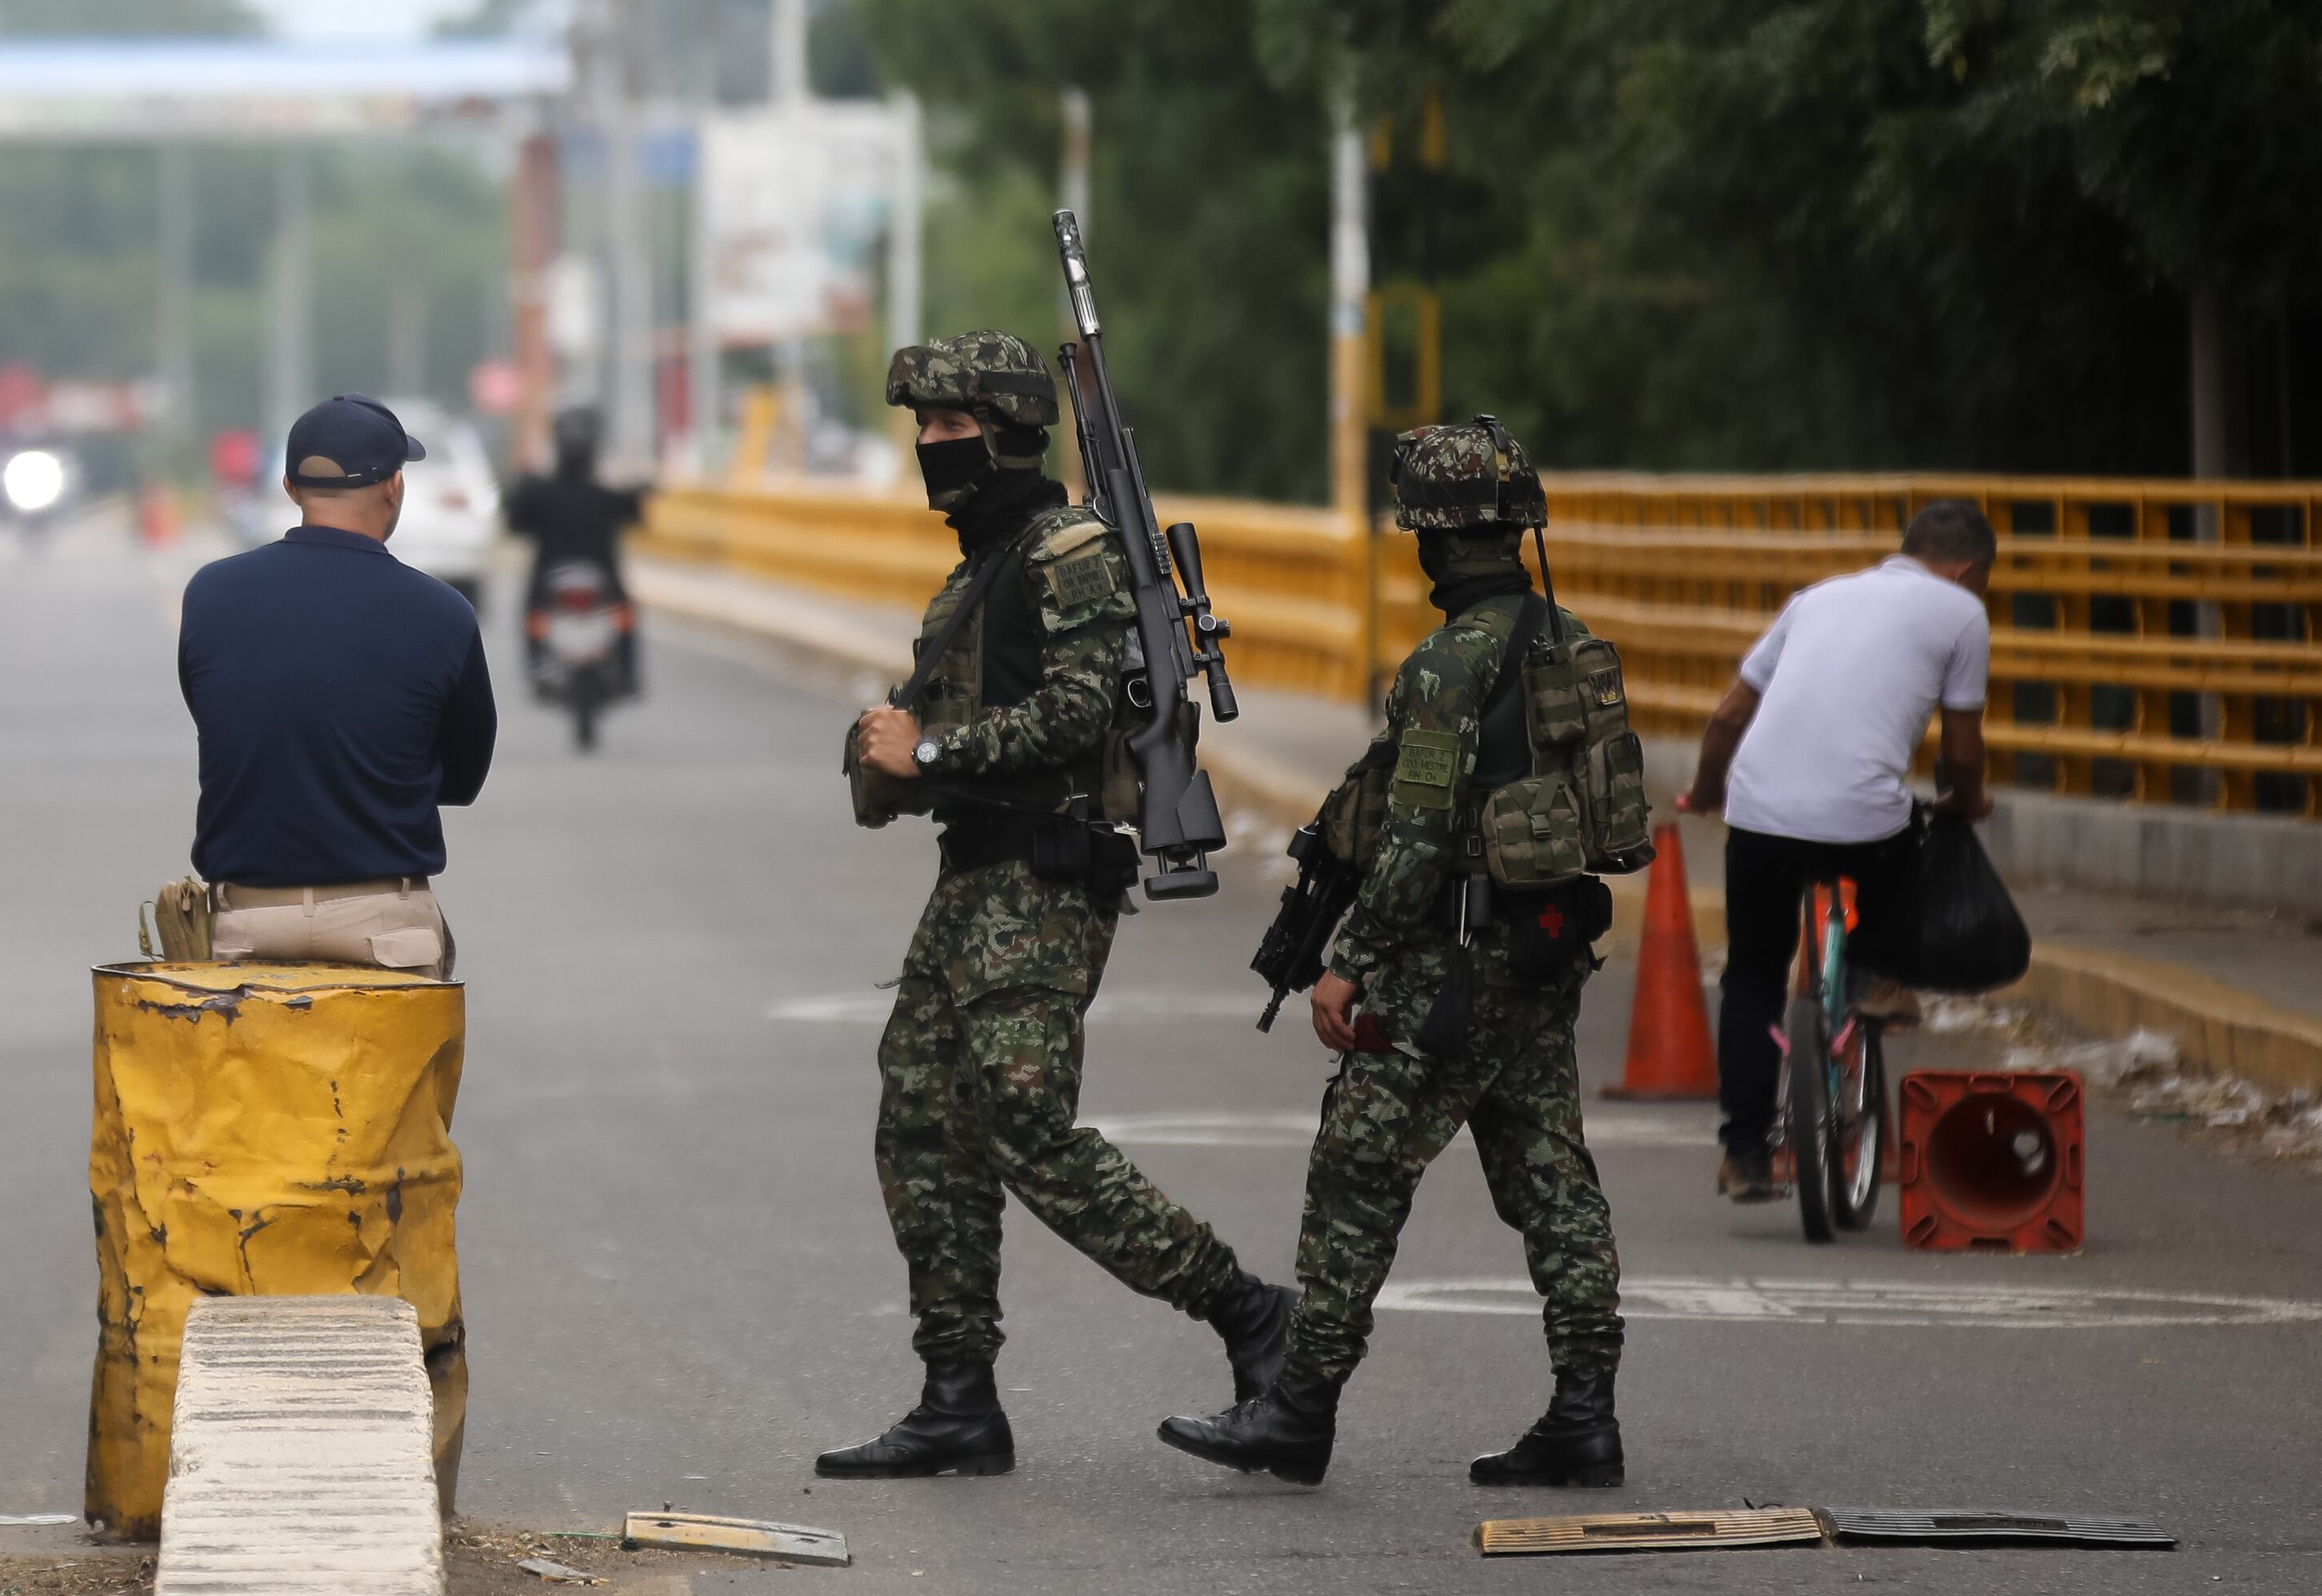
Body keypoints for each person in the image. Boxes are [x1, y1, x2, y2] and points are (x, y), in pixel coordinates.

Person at [822, 332, 1294, 1478]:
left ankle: (1251, 1314)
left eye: (950, 427)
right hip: (973, 875)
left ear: (1010, 429)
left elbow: (1085, 713)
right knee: (921, 1120)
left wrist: (929, 744)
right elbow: (931, 735)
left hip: (1041, 877)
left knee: (1028, 1130)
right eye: (924, 428)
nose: (933, 447)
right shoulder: (982, 566)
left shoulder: (1065, 550)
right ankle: (958, 1398)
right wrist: (896, 754)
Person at [1159, 419, 1627, 1491]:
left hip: (1445, 968)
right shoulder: (1573, 641)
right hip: (1542, 953)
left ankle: (1298, 1411)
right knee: (1554, 1182)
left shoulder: (1439, 669)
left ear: (1429, 537)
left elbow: (1415, 835)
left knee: (1357, 1172)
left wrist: (1351, 960)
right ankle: (1585, 1416)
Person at [1680, 497, 1998, 1201]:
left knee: (1754, 974)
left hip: (1758, 810)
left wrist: (1705, 792)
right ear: (1968, 569)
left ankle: (1744, 1155)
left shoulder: (1815, 598)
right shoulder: (1963, 614)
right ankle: (1872, 972)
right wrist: (1969, 803)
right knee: (1907, 837)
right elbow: (1963, 749)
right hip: (1861, 821)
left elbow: (1730, 713)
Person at [175, 394, 496, 973]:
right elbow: (464, 776)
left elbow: (224, 721)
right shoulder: (444, 613)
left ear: (291, 487)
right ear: (394, 486)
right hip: (387, 930)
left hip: (247, 926)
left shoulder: (209, 595)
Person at [502, 405, 646, 691]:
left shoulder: (540, 490)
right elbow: (636, 517)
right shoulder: (607, 491)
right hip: (602, 573)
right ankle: (628, 668)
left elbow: (516, 525)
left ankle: (537, 662)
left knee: (534, 610)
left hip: (551, 573)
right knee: (624, 612)